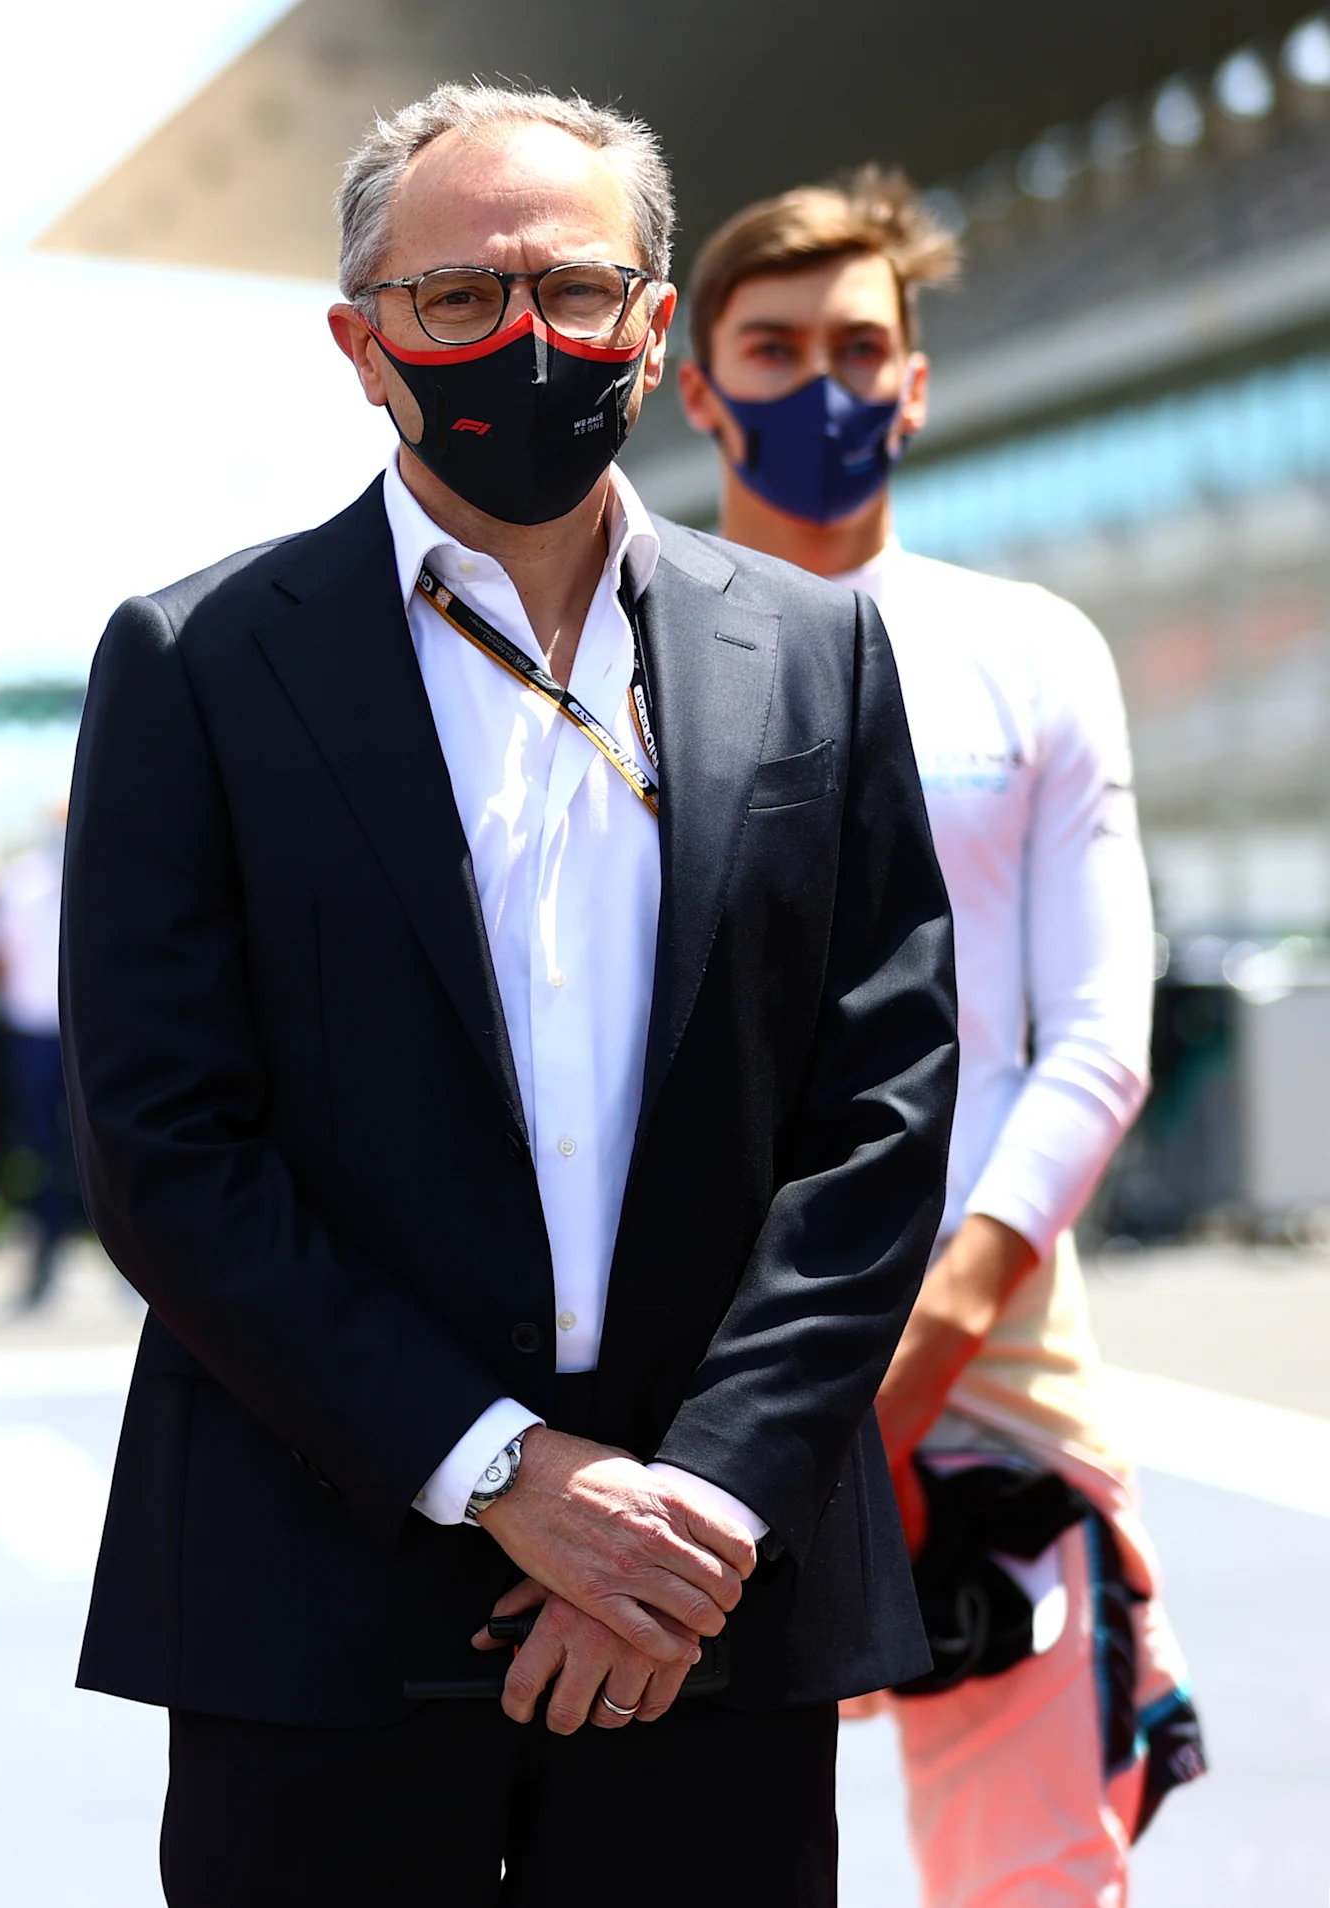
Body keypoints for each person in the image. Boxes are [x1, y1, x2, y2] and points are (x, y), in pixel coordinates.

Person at [60, 84, 961, 1905]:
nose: (521, 340)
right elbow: (166, 1148)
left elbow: (879, 1112)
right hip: (313, 1583)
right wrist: (509, 1477)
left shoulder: (808, 652)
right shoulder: (196, 662)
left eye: (571, 290)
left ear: (646, 327)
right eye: (457, 300)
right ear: (359, 342)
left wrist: (687, 1508)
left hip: (710, 1595)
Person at [675, 170, 1205, 1904]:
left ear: (913, 383)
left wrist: (931, 1323)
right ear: (696, 384)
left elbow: (1097, 1030)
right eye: (771, 348)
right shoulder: (611, 656)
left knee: (1037, 1883)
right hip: (685, 1368)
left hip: (987, 1366)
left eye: (856, 348)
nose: (817, 386)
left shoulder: (1027, 649)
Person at [0, 817, 82, 1312]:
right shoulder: (21, 880)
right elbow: (0, 956)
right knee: (38, 1150)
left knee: (97, 1147)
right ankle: (44, 1249)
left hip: (83, 1028)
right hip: (34, 1030)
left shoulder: (94, 867)